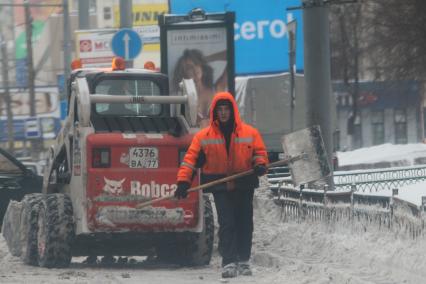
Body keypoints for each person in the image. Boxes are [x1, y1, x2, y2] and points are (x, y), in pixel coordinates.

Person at [175, 91, 268, 278]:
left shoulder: (251, 133)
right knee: (227, 223)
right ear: (215, 113)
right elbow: (190, 161)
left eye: (226, 109)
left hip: (244, 183)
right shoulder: (203, 137)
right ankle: (229, 262)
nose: (223, 113)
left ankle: (243, 260)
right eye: (220, 110)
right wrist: (183, 182)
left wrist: (259, 165)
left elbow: (259, 153)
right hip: (220, 186)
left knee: (244, 223)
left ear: (233, 111)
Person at [172, 49, 228, 127]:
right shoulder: (182, 98)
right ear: (183, 73)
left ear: (202, 66)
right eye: (189, 68)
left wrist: (205, 59)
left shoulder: (217, 89)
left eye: (196, 64)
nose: (195, 70)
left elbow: (233, 54)